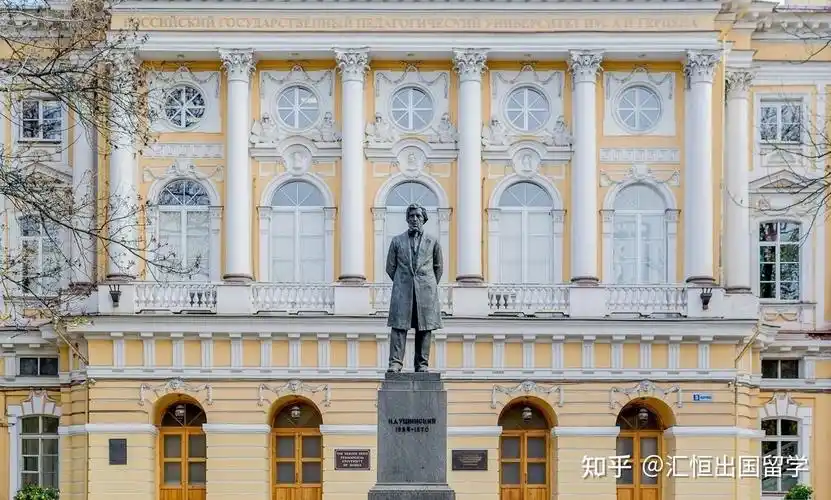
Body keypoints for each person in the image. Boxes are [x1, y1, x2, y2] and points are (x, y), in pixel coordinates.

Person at [385, 203, 444, 372]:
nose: (414, 219)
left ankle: (422, 365)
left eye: (418, 216)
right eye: (411, 216)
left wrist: (426, 284)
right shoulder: (397, 241)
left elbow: (438, 268)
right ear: (407, 219)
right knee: (399, 328)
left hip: (426, 291)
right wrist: (403, 282)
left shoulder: (433, 241)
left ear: (424, 219)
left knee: (424, 329)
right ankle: (395, 363)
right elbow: (390, 267)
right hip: (402, 291)